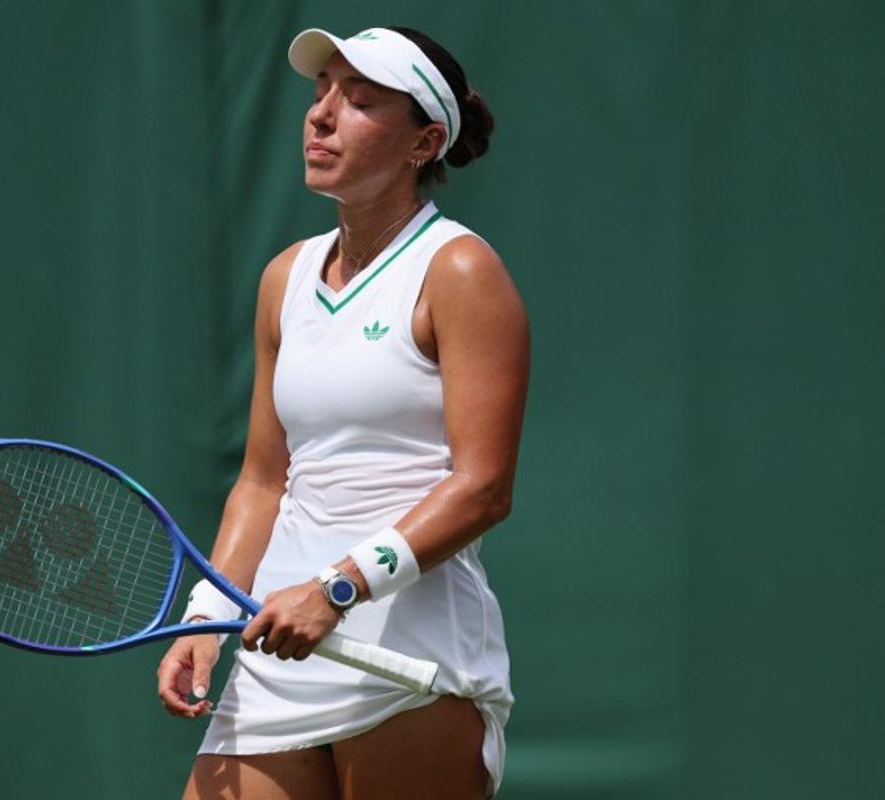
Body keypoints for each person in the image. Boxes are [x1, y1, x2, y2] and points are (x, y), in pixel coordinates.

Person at [157, 25, 529, 800]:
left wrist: (337, 589)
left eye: (359, 101)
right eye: (320, 92)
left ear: (423, 144)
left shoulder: (459, 269)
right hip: (276, 646)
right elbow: (263, 481)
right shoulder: (285, 277)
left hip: (406, 661)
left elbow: (484, 487)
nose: (322, 115)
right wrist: (203, 615)